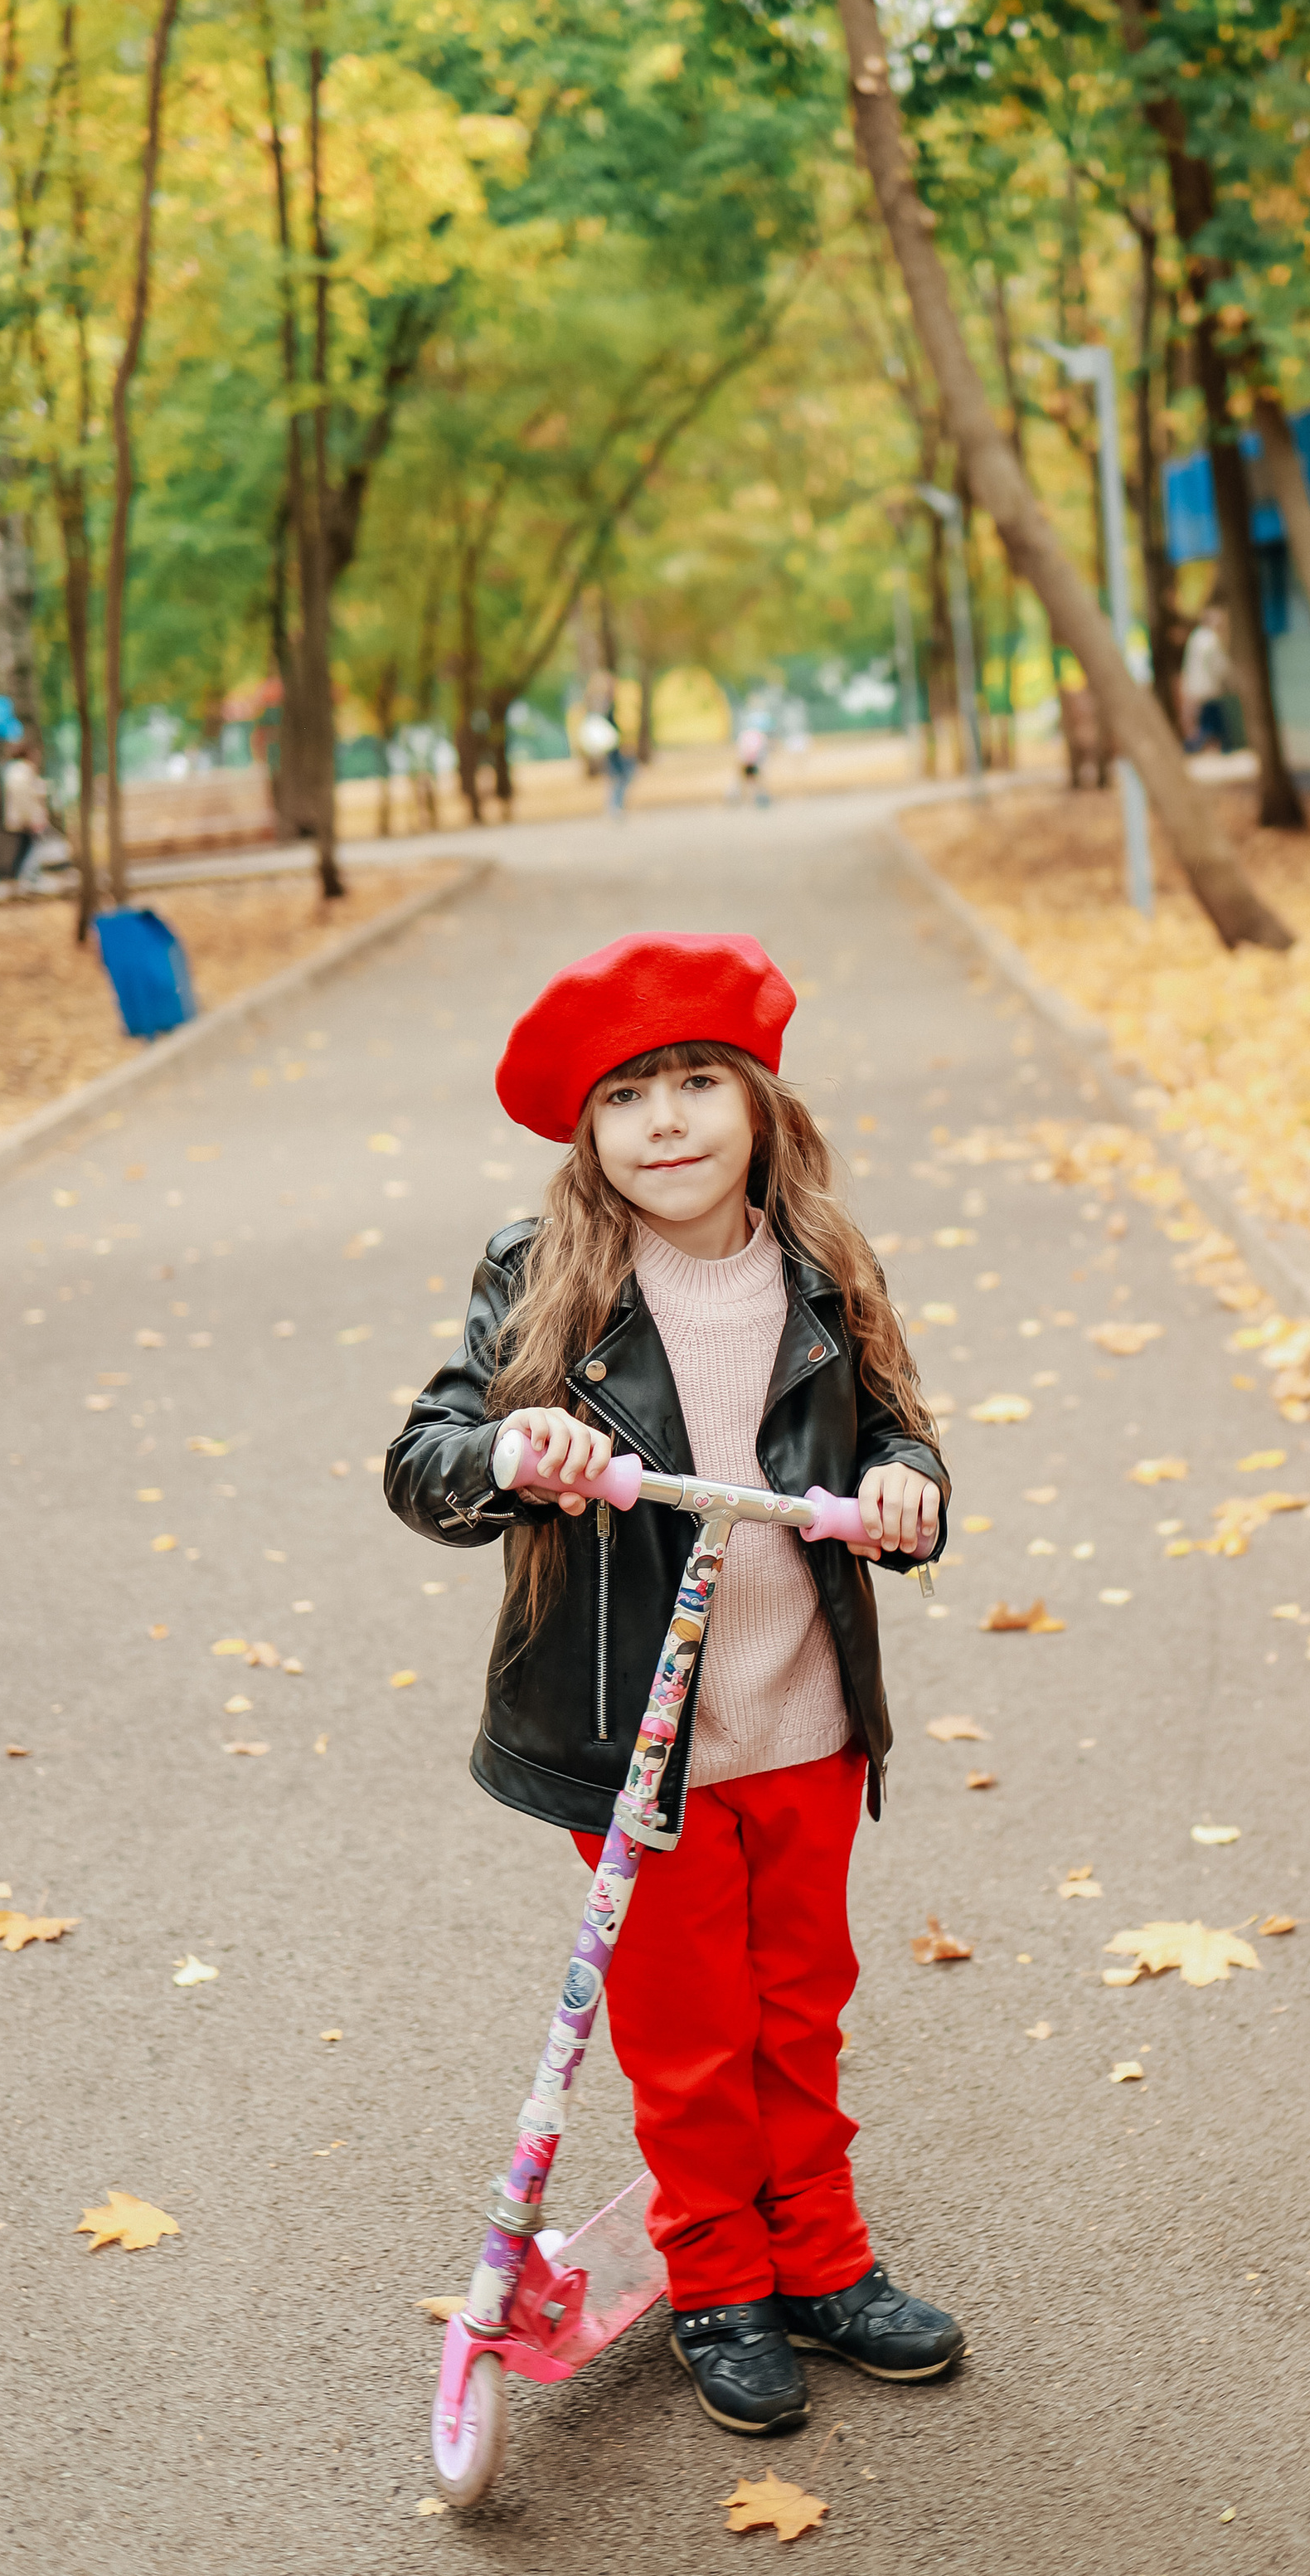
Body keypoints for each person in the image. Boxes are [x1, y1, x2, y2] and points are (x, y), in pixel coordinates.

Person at [384, 931, 963, 2438]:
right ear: (589, 1135)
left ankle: (825, 2259)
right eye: (630, 1096)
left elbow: (898, 1433)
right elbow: (430, 1458)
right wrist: (518, 1455)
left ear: (758, 1103)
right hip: (635, 1742)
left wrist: (906, 1493)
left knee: (800, 2005)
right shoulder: (547, 1274)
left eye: (699, 1082)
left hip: (805, 1712)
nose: (669, 1122)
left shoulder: (825, 1262)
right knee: (690, 2027)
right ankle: (718, 2276)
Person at [1179, 598, 1235, 752]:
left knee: (1208, 720)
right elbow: (1219, 664)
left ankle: (1209, 746)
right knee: (1211, 722)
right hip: (1208, 689)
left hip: (1198, 687)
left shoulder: (1197, 637)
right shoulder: (1209, 639)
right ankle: (1193, 747)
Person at [1, 748, 51, 887]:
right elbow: (26, 797)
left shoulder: (11, 770)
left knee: (25, 846)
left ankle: (17, 875)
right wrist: (32, 818)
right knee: (32, 846)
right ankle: (28, 876)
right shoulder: (25, 770)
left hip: (19, 816)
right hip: (27, 817)